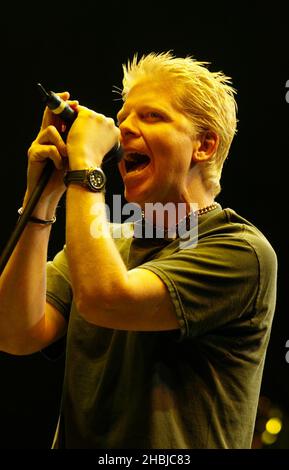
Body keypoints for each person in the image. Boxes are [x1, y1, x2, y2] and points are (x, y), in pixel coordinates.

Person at [0, 51, 277, 449]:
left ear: (204, 145)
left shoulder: (241, 250)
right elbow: (14, 332)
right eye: (124, 117)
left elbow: (107, 300)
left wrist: (86, 168)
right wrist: (41, 197)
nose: (124, 128)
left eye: (151, 117)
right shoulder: (105, 242)